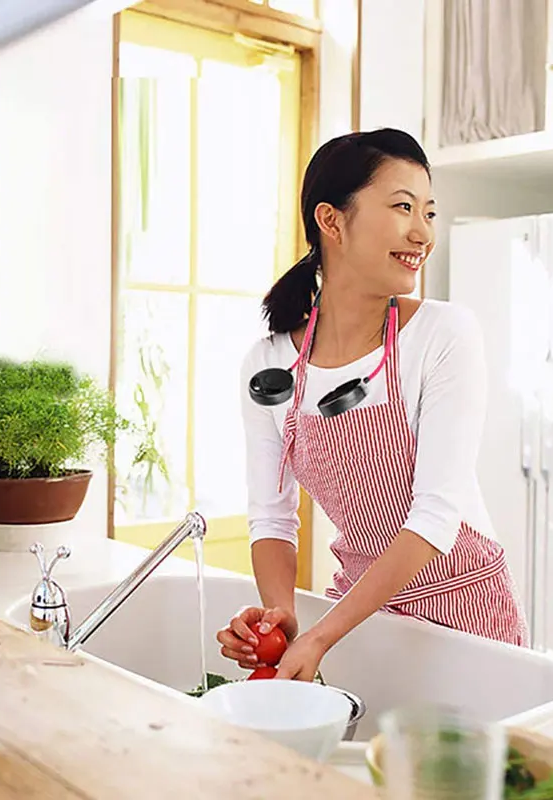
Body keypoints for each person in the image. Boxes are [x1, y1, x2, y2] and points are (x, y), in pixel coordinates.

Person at [216, 128, 529, 682]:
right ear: (332, 221)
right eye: (403, 207)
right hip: (363, 619)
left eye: (428, 212)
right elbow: (272, 515)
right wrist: (281, 616)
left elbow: (435, 516)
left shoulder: (443, 334)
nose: (423, 232)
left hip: (465, 621)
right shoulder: (268, 365)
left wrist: (320, 634)